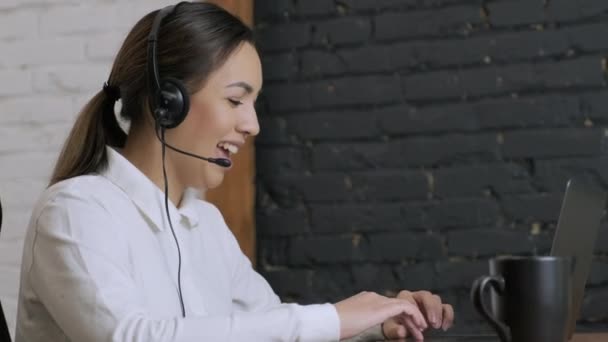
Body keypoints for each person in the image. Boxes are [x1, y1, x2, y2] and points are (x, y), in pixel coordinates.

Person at [15, 2, 453, 341]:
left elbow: (272, 329)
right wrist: (335, 318)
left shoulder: (204, 225)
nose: (253, 124)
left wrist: (377, 326)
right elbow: (129, 336)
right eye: (235, 100)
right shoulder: (76, 211)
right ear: (168, 102)